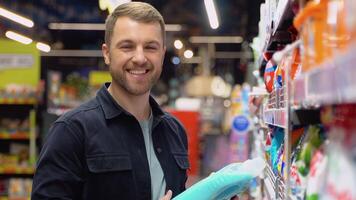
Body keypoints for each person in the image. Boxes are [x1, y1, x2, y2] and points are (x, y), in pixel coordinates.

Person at [31, 2, 189, 200]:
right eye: (127, 46)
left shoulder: (175, 132)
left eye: (150, 47)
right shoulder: (72, 131)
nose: (140, 58)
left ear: (162, 54)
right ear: (107, 53)